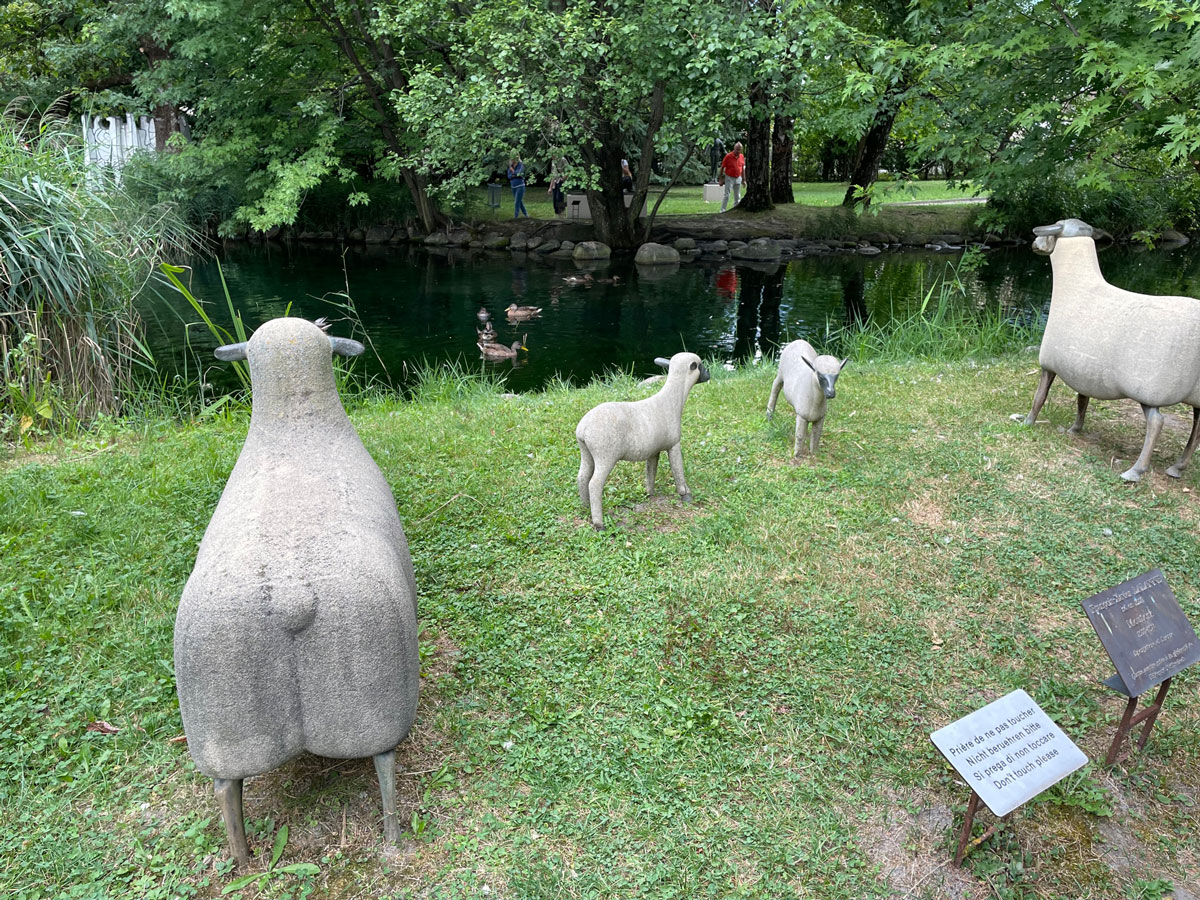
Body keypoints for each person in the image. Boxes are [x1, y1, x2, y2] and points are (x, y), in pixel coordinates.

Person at [720, 141, 745, 212]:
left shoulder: (741, 156)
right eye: (737, 149)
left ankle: (735, 209)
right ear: (734, 148)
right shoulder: (728, 156)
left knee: (737, 195)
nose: (738, 151)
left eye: (739, 149)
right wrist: (721, 179)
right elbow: (722, 167)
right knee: (727, 194)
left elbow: (742, 168)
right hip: (729, 177)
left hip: (738, 177)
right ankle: (723, 210)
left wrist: (744, 179)